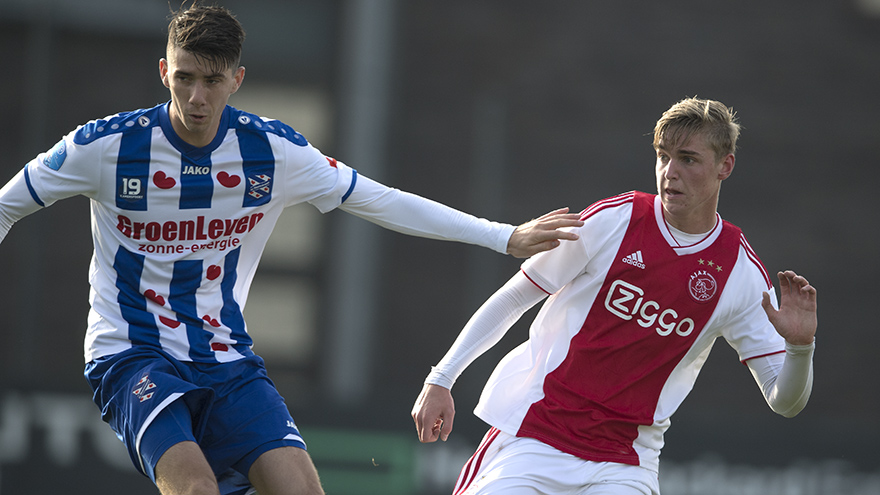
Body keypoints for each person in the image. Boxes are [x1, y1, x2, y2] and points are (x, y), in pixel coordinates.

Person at [0, 4, 584, 495]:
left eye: (212, 80)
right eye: (184, 78)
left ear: (237, 79)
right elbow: (6, 205)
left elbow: (381, 200)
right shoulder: (104, 147)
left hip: (225, 356)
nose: (197, 97)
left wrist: (502, 236)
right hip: (131, 353)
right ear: (163, 72)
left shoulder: (272, 152)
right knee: (196, 489)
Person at [412, 97, 817, 495]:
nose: (670, 173)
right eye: (663, 156)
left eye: (688, 159)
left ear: (725, 166)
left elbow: (785, 402)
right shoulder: (614, 220)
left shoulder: (740, 274)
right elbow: (514, 298)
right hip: (535, 438)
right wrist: (442, 378)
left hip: (625, 465)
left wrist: (800, 348)